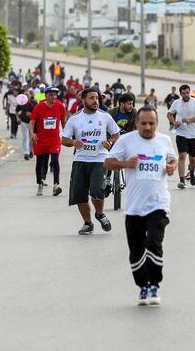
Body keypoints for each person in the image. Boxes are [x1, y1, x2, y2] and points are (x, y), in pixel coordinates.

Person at [105, 106, 177, 306]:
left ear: (157, 123)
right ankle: (142, 287)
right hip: (135, 206)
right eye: (143, 123)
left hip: (158, 203)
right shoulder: (126, 141)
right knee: (136, 250)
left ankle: (155, 284)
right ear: (136, 123)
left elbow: (173, 160)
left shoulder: (164, 140)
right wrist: (125, 164)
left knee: (154, 243)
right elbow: (107, 163)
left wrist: (171, 167)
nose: (147, 127)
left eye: (151, 123)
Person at [61, 88, 120, 235]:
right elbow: (64, 139)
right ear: (83, 100)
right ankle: (87, 223)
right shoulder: (75, 119)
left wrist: (110, 142)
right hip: (80, 159)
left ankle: (99, 214)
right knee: (80, 194)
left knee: (97, 190)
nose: (95, 101)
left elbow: (116, 134)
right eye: (92, 98)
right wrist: (74, 142)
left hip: (99, 159)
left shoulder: (105, 117)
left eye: (97, 98)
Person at [29, 87, 67, 196]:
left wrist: (66, 133)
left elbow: (64, 121)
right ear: (46, 96)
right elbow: (32, 122)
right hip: (40, 140)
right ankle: (40, 184)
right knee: (40, 163)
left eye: (55, 95)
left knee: (55, 161)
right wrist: (32, 133)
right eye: (51, 95)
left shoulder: (60, 106)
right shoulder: (38, 107)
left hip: (54, 140)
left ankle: (56, 185)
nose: (54, 97)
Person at [167, 85, 195, 189]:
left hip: (194, 134)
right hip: (181, 133)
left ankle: (191, 172)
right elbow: (169, 114)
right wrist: (174, 122)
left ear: (189, 92)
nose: (186, 95)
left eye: (187, 92)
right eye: (183, 93)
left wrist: (190, 120)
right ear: (181, 94)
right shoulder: (176, 103)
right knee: (182, 156)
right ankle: (182, 180)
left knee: (192, 158)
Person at [17, 90, 36, 160]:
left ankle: (31, 151)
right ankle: (26, 153)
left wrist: (31, 114)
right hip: (24, 122)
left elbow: (37, 112)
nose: (26, 96)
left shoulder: (34, 102)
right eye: (25, 94)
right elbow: (17, 110)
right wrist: (18, 118)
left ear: (30, 95)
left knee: (31, 138)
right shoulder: (21, 102)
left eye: (28, 94)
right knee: (25, 138)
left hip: (32, 123)